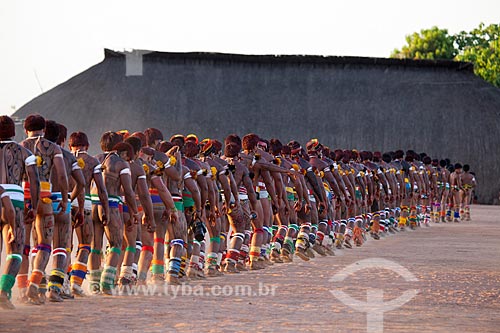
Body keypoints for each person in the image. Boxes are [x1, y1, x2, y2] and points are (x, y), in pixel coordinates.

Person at [21, 114, 68, 304]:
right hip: (45, 196)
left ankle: (22, 290)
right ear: (44, 129)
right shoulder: (54, 148)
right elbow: (62, 177)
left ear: (25, 130)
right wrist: (64, 199)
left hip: (24, 196)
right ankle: (34, 283)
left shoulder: (20, 146)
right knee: (44, 244)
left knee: (23, 246)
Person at [67, 131, 109, 296]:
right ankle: (76, 284)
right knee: (85, 245)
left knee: (65, 246)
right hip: (85, 204)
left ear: (70, 146)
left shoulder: (64, 158)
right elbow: (101, 189)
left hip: (66, 201)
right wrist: (106, 209)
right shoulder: (92, 162)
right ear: (87, 146)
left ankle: (61, 283)